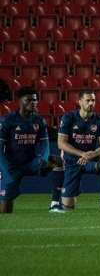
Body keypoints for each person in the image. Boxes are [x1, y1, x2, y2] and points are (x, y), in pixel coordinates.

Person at [0, 86, 65, 214]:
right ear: (20, 101)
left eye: (34, 100)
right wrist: (6, 174)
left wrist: (44, 157)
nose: (33, 103)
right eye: (28, 100)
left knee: (58, 161)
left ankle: (55, 204)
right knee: (5, 211)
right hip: (11, 166)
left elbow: (45, 145)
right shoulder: (7, 120)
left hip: (31, 162)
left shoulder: (38, 120)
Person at [57, 89, 100, 210]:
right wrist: (82, 154)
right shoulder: (69, 118)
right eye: (88, 101)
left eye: (93, 100)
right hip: (72, 161)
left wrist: (90, 155)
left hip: (90, 160)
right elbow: (61, 144)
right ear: (80, 102)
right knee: (68, 206)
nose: (91, 103)